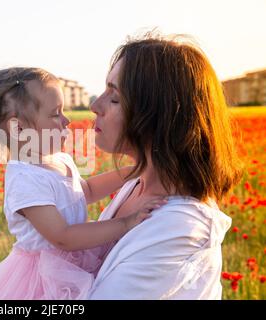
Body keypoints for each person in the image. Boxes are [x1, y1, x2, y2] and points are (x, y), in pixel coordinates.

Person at [0, 67, 167, 299]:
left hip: (71, 261)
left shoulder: (58, 160)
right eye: (55, 114)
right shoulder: (24, 180)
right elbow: (63, 236)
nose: (66, 120)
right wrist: (125, 224)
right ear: (18, 127)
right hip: (43, 279)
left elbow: (86, 191)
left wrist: (131, 171)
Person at [87, 32, 243, 299]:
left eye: (114, 98)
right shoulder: (138, 184)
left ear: (157, 116)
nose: (94, 106)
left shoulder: (180, 227)